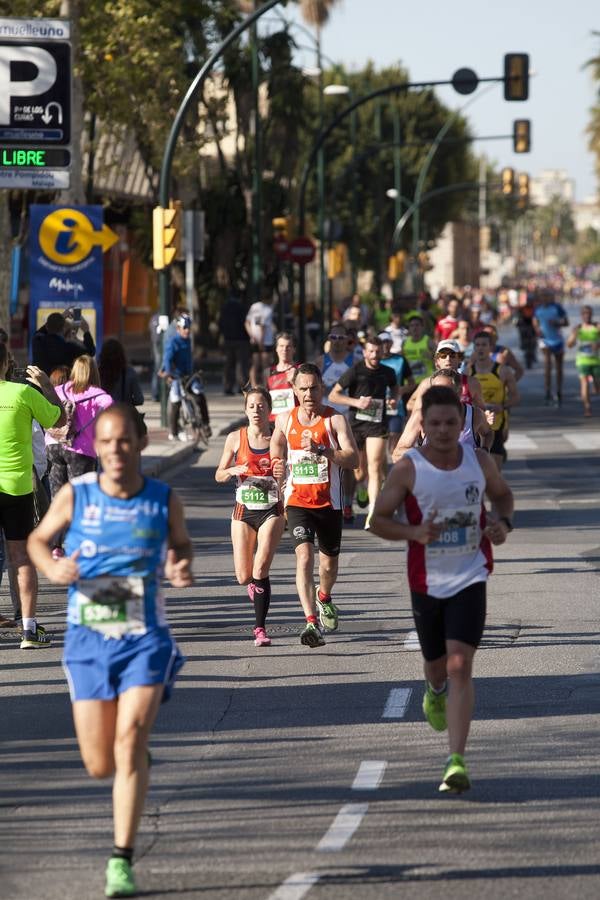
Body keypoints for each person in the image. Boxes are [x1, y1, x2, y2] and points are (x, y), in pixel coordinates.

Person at [27, 403, 193, 898]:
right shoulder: (76, 495)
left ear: (140, 443)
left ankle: (121, 858)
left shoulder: (163, 499)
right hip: (88, 640)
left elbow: (181, 544)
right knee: (100, 764)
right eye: (106, 441)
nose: (116, 449)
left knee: (129, 741)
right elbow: (37, 541)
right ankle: (133, 756)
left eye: (124, 440)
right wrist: (53, 568)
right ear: (95, 447)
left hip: (145, 637)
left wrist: (180, 564)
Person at [370, 385, 514, 793]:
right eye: (435, 423)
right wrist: (414, 532)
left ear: (461, 422)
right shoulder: (408, 468)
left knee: (460, 665)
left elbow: (503, 497)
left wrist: (502, 524)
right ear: (423, 425)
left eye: (451, 422)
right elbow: (378, 520)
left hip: (470, 574)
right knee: (437, 667)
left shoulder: (478, 461)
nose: (444, 430)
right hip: (427, 581)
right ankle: (434, 692)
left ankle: (456, 760)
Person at [270, 364, 358, 647]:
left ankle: (324, 596)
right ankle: (310, 622)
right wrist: (277, 464)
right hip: (297, 501)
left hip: (329, 503)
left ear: (322, 388)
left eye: (314, 388)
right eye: (303, 389)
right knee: (304, 557)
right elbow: (276, 445)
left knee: (328, 566)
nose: (309, 394)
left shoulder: (335, 420)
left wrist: (324, 450)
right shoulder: (285, 419)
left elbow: (354, 459)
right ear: (294, 390)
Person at [0, 343, 66, 647]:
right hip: (17, 488)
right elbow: (59, 421)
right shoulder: (23, 393)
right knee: (21, 558)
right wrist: (47, 386)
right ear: (6, 363)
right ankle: (29, 630)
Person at [215, 387, 285, 646]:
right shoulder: (235, 438)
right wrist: (232, 470)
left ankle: (260, 629)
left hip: (271, 509)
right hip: (244, 511)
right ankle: (254, 585)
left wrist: (283, 471)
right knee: (244, 576)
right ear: (245, 410)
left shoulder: (278, 437)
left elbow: (289, 470)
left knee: (260, 568)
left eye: (261, 405)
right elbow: (218, 474)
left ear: (269, 409)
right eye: (252, 406)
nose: (256, 410)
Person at [328, 336, 398, 530]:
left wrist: (394, 399)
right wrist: (356, 402)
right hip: (356, 424)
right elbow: (334, 395)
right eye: (371, 351)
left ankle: (373, 512)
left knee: (375, 465)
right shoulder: (355, 371)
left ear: (382, 352)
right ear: (365, 353)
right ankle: (358, 491)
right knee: (358, 471)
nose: (375, 355)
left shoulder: (388, 372)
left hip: (377, 424)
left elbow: (395, 389)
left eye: (378, 351)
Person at [46, 355, 113, 511]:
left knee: (57, 498)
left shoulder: (60, 389)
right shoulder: (97, 394)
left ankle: (58, 524)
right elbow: (110, 405)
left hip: (54, 445)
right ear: (93, 372)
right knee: (80, 499)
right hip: (80, 449)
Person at [392, 368, 493, 461]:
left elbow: (488, 433)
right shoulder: (421, 415)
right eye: (434, 391)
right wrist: (427, 455)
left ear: (459, 392)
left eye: (444, 391)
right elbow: (397, 454)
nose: (438, 396)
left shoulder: (474, 414)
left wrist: (484, 450)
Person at [468, 331, 520, 471]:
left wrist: (501, 406)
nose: (480, 348)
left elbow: (515, 397)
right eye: (477, 345)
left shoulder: (503, 371)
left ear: (491, 347)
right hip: (476, 425)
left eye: (484, 345)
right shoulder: (468, 372)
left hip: (497, 423)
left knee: (495, 471)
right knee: (475, 470)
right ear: (474, 348)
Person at [406, 340, 484, 414]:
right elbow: (410, 405)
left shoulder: (472, 383)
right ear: (437, 361)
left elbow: (481, 410)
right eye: (443, 356)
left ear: (459, 359)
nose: (448, 359)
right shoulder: (427, 384)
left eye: (452, 355)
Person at [378, 332, 415, 457]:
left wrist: (399, 391)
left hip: (396, 407)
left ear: (391, 343)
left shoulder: (400, 360)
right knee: (378, 448)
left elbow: (412, 383)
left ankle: (393, 468)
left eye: (387, 341)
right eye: (382, 342)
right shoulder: (372, 360)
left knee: (394, 446)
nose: (385, 344)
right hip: (376, 407)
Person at [533, 289, 569, 406]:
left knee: (559, 367)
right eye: (542, 296)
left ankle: (558, 390)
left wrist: (558, 323)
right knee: (547, 366)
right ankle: (547, 391)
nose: (545, 298)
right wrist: (537, 330)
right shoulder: (538, 309)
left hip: (557, 340)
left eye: (547, 296)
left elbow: (566, 322)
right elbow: (535, 321)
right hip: (545, 340)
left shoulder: (557, 308)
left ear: (551, 297)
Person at [32, 310, 95, 375]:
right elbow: (90, 352)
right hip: (61, 381)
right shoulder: (69, 348)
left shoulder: (38, 341)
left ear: (47, 326)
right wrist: (86, 331)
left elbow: (40, 331)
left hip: (40, 380)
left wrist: (62, 316)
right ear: (62, 329)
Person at [161, 313, 193, 441]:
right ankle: (173, 431)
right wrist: (169, 374)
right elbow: (167, 359)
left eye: (189, 328)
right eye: (185, 328)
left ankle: (194, 426)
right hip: (175, 376)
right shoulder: (173, 342)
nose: (187, 330)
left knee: (192, 398)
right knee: (175, 400)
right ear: (178, 328)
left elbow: (189, 359)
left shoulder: (188, 340)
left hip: (186, 375)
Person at [566, 305, 599, 417]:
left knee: (597, 386)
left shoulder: (597, 327)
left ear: (591, 314)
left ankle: (596, 388)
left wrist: (598, 345)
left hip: (595, 361)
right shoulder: (578, 328)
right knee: (584, 383)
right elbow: (569, 345)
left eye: (588, 313)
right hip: (582, 360)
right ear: (581, 315)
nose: (586, 316)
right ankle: (587, 408)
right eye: (584, 313)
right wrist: (574, 336)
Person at [218, 292, 251, 395]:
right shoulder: (242, 308)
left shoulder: (225, 308)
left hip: (228, 339)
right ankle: (242, 387)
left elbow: (220, 323)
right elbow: (246, 322)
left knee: (229, 364)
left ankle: (228, 387)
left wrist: (224, 334)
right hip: (242, 339)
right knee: (241, 364)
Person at [98, 338, 144, 406]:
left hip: (104, 411)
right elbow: (139, 400)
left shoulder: (98, 373)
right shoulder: (129, 372)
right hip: (123, 410)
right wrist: (127, 402)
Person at [265, 332, 298, 421]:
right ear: (276, 348)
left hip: (294, 419)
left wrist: (295, 382)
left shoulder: (300, 370)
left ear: (294, 349)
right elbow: (264, 398)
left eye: (288, 346)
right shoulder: (268, 372)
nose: (284, 349)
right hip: (273, 420)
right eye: (281, 346)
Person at [245, 292, 275, 387]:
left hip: (254, 340)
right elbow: (262, 326)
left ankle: (254, 385)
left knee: (255, 364)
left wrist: (252, 336)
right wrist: (261, 341)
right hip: (265, 341)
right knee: (266, 365)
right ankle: (266, 385)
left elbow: (247, 322)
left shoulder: (254, 306)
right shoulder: (267, 309)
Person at [401, 313, 436, 385]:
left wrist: (432, 356)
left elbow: (438, 358)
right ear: (409, 328)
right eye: (412, 325)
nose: (414, 328)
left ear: (422, 327)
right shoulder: (405, 343)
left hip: (426, 381)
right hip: (409, 383)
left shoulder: (428, 341)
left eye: (417, 325)